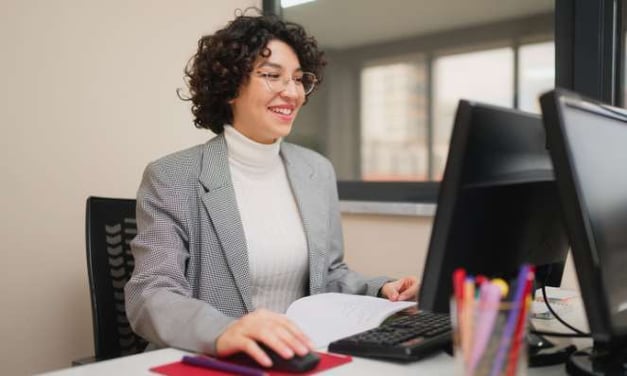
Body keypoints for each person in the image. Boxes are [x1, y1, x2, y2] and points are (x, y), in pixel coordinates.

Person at [124, 9, 419, 368]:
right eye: (271, 76)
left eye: (298, 79)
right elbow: (150, 294)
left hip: (299, 358)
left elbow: (330, 274)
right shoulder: (172, 176)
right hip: (214, 362)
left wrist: (380, 289)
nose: (291, 92)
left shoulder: (316, 170)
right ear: (230, 86)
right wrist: (224, 331)